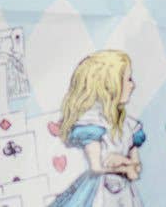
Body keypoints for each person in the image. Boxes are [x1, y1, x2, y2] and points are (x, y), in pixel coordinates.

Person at [50, 49, 145, 207]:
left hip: (124, 194)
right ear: (109, 86)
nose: (133, 85)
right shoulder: (93, 123)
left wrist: (127, 165)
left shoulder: (129, 125)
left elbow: (135, 168)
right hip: (100, 193)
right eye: (128, 79)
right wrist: (125, 165)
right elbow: (96, 166)